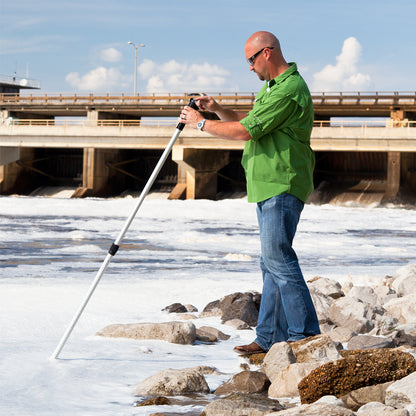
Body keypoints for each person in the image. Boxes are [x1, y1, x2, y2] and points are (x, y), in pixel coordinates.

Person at [179, 31, 320, 354]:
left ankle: (305, 336)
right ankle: (268, 337)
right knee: (269, 263)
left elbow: (245, 132)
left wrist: (200, 123)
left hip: (282, 182)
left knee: (279, 260)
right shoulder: (272, 89)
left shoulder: (290, 89)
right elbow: (250, 123)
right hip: (266, 185)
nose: (250, 68)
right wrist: (216, 110)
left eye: (251, 60)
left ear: (267, 53)